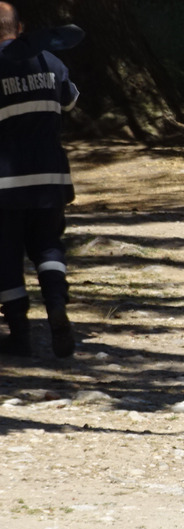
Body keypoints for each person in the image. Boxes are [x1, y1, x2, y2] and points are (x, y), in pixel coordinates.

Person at [0, 2, 80, 358]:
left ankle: (19, 334)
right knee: (48, 247)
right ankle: (56, 307)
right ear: (21, 27)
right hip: (51, 178)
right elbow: (70, 102)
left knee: (5, 257)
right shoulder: (51, 61)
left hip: (5, 184)